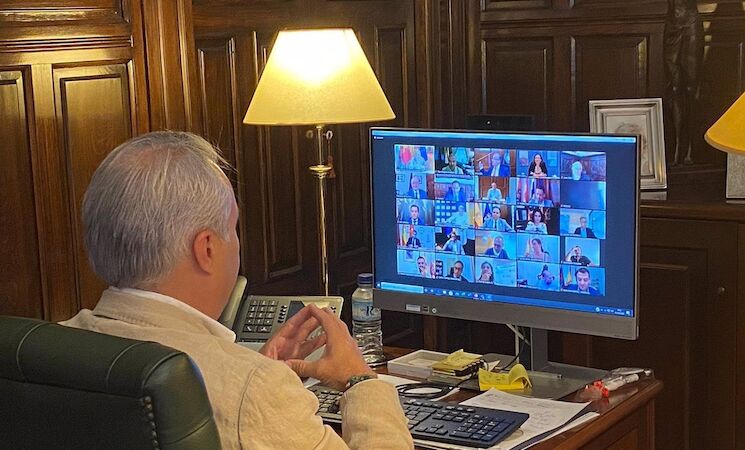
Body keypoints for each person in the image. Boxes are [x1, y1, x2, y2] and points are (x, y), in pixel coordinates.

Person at [59, 131, 412, 449]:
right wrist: (360, 380)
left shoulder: (48, 349)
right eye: (233, 229)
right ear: (207, 249)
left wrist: (255, 368)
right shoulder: (253, 390)